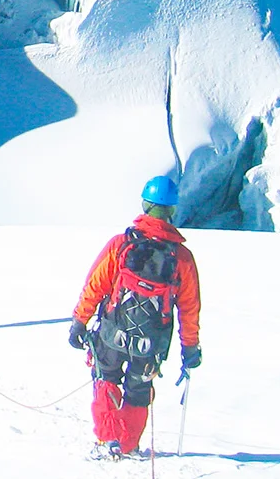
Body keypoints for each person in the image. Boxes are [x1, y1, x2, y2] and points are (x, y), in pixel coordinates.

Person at [67, 176, 202, 460]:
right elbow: (189, 308)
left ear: (145, 204)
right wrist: (190, 347)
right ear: (172, 210)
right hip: (151, 343)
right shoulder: (182, 258)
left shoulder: (121, 245)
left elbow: (96, 284)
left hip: (112, 334)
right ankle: (128, 445)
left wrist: (80, 321)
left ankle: (106, 440)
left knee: (106, 380)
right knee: (139, 390)